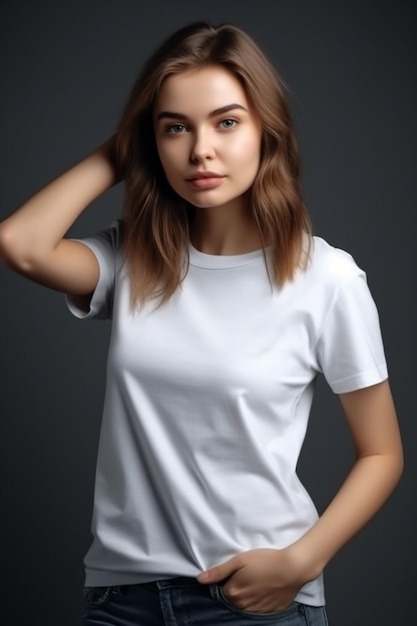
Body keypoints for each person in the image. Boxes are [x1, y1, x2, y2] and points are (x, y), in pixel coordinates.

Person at [0, 21, 403, 626]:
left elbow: (382, 453)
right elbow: (22, 244)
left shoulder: (328, 279)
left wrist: (301, 562)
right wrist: (119, 153)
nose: (200, 150)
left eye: (227, 122)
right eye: (175, 128)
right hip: (121, 598)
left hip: (255, 601)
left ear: (268, 129)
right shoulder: (134, 257)